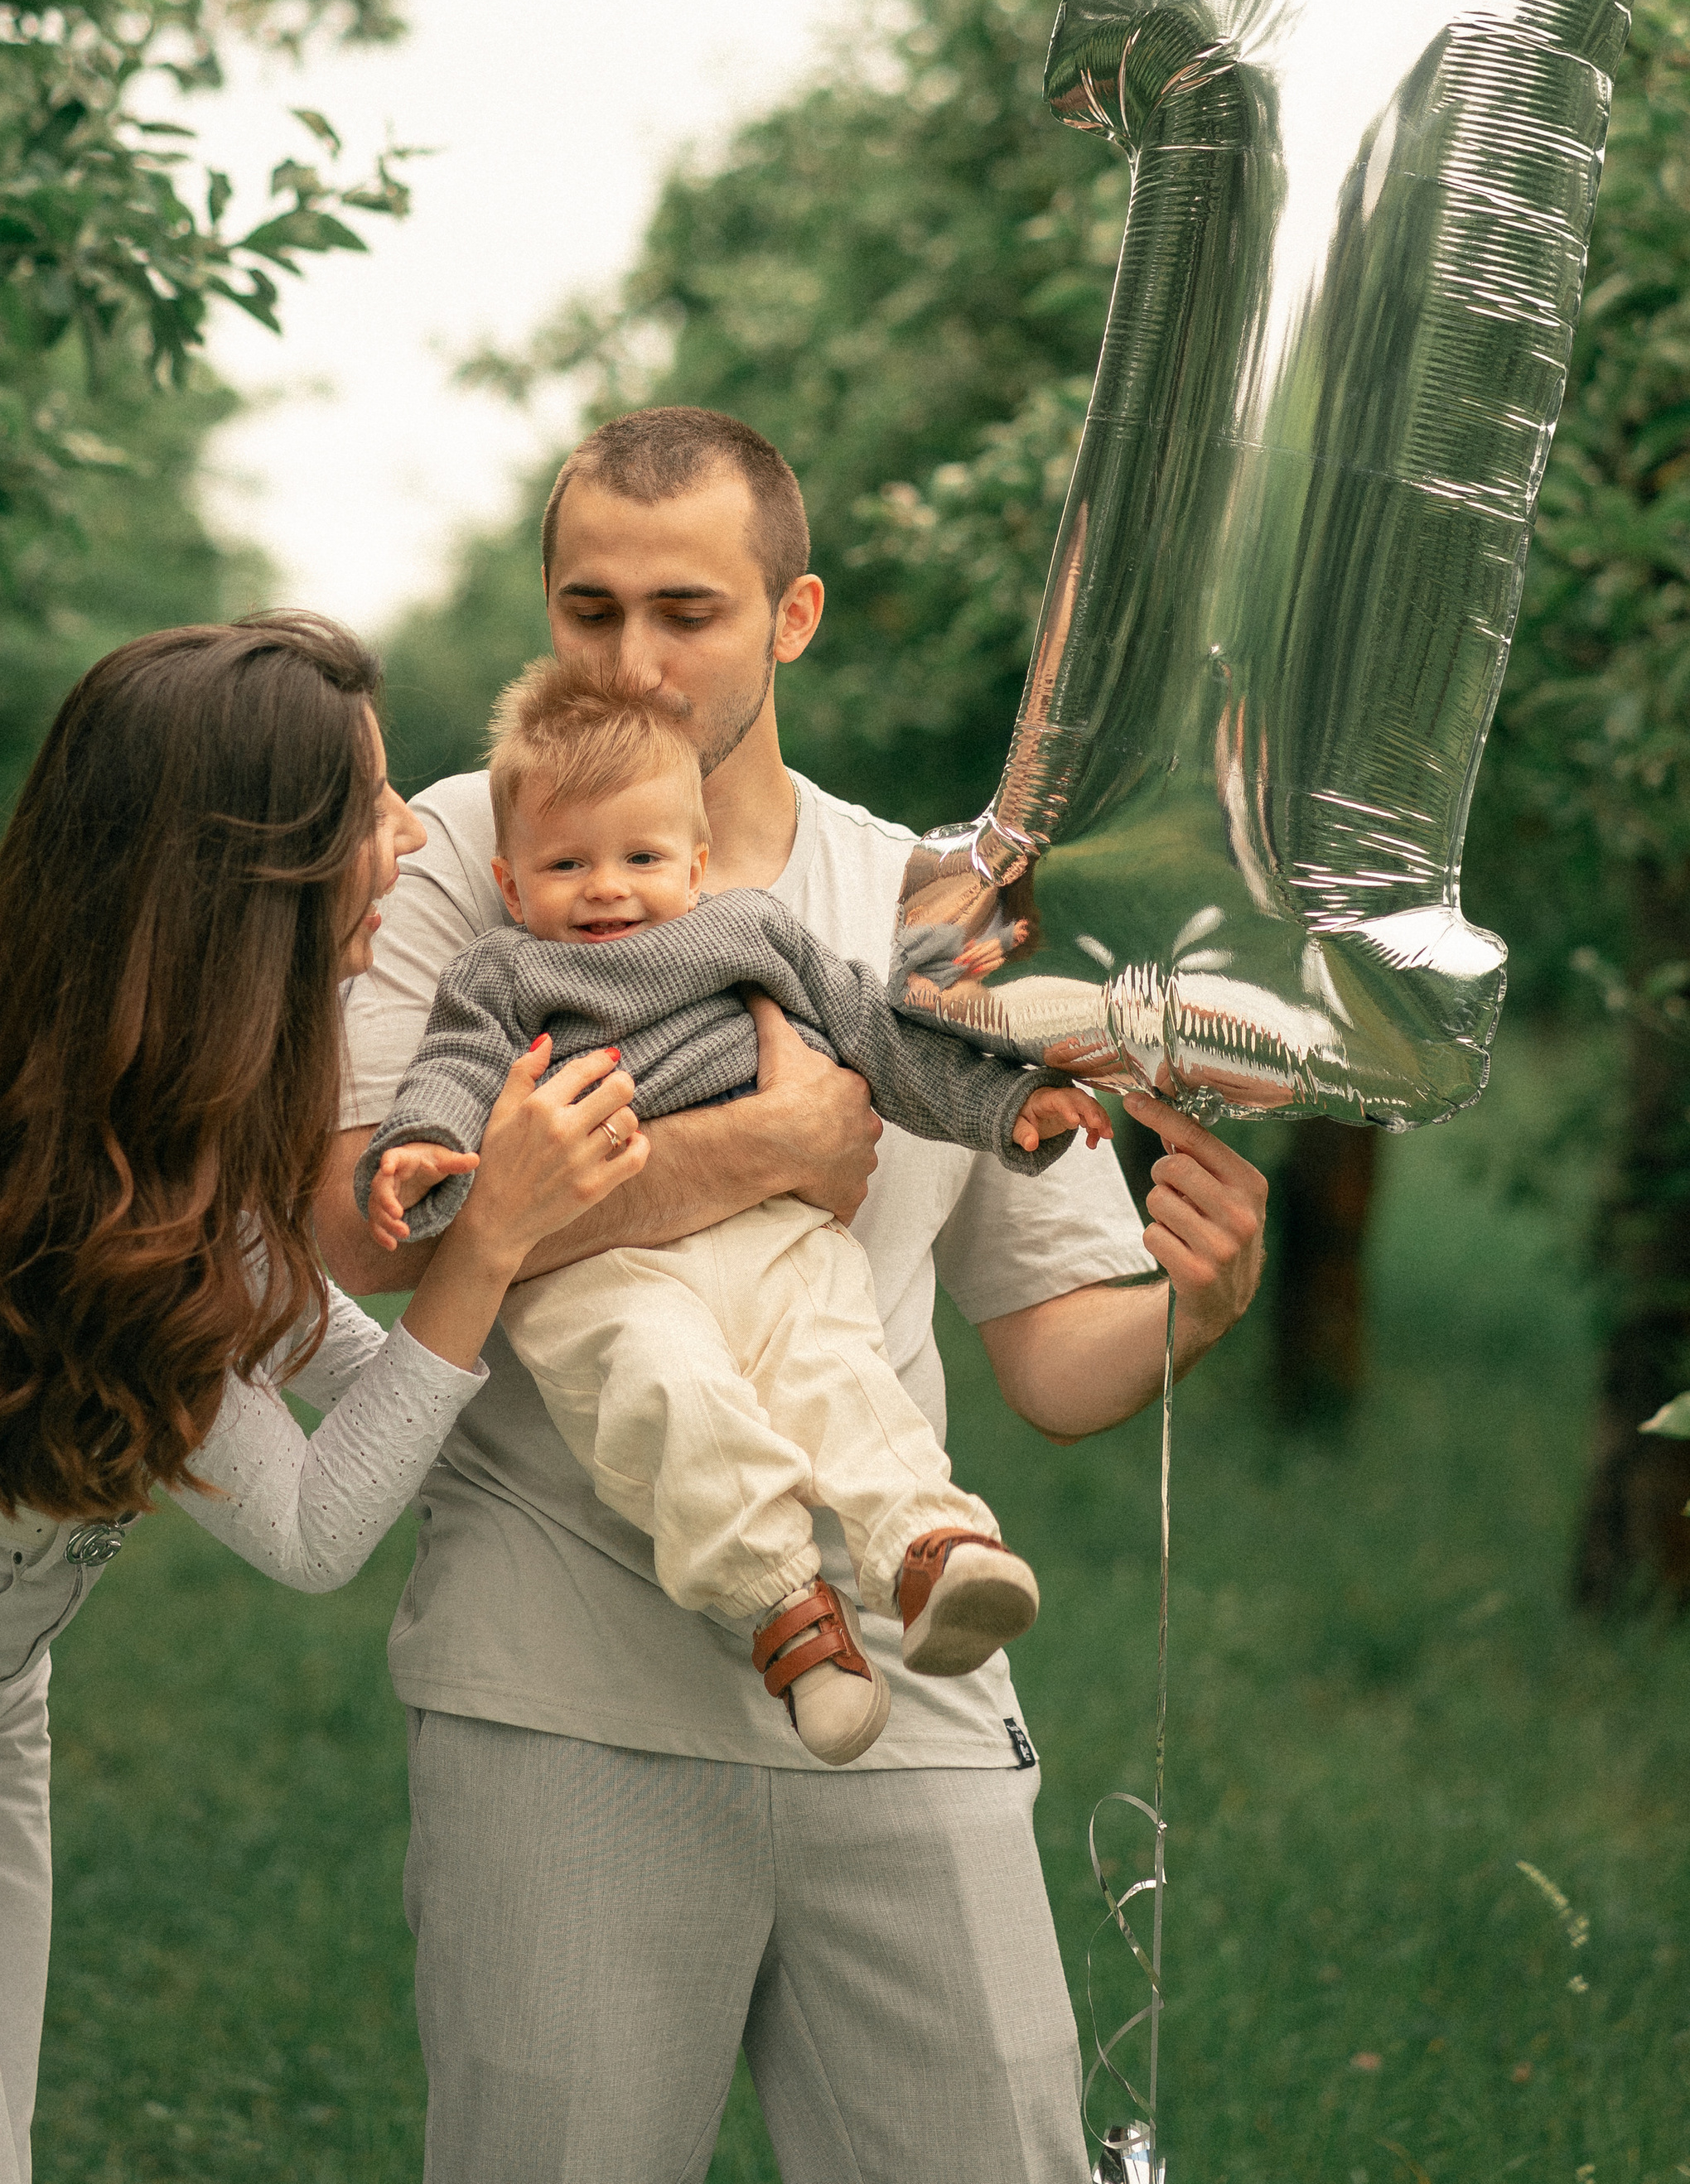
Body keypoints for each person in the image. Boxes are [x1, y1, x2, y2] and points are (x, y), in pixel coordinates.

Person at [317, 409, 1268, 2184]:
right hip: (560, 1694)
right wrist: (767, 1148)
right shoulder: (469, 849)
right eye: (588, 610)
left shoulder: (918, 901)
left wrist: (1190, 1312)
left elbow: (1051, 1355)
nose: (635, 661)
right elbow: (369, 1230)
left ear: (793, 616)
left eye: (687, 610)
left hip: (909, 1676)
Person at [0, 611, 649, 2184]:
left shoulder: (186, 1102)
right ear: (258, 869)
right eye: (369, 808)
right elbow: (308, 1528)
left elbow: (360, 1385)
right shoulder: (84, 1188)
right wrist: (486, 1242)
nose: (413, 832)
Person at [359, 656, 1119, 1764]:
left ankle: (930, 1543)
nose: (608, 888)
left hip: (769, 1233)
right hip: (595, 1269)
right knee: (668, 1394)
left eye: (643, 857)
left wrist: (1009, 1105)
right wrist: (418, 1149)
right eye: (567, 864)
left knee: (830, 1362)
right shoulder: (502, 974)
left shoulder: (751, 936)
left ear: (698, 865)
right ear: (512, 884)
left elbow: (883, 1039)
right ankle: (789, 1616)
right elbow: (455, 1073)